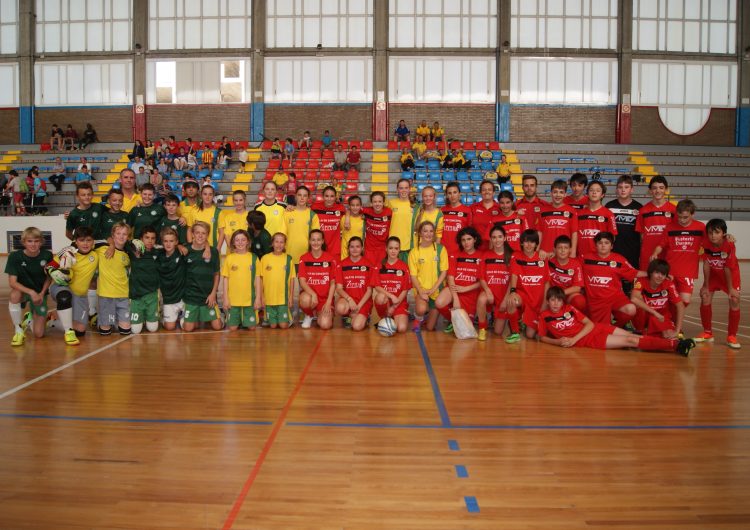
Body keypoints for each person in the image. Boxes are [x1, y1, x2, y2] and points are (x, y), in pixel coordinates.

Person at [538, 287, 695, 356]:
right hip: (590, 339)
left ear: (563, 301)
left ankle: (673, 344)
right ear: (548, 301)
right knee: (631, 340)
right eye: (552, 300)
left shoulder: (569, 308)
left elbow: (590, 324)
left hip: (596, 328)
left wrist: (573, 339)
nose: (555, 304)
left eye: (559, 300)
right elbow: (542, 337)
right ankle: (675, 346)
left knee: (635, 337)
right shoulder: (544, 316)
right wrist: (558, 342)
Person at [46, 226, 98, 344]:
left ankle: (52, 321)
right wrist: (55, 272)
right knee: (65, 296)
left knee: (80, 331)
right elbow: (48, 267)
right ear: (75, 241)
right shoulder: (68, 252)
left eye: (89, 240)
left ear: (93, 241)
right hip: (62, 287)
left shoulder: (95, 255)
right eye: (81, 240)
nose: (85, 244)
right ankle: (68, 332)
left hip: (80, 296)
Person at [650, 199, 705, 307]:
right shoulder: (670, 227)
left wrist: (726, 237)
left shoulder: (701, 227)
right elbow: (661, 245)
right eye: (679, 217)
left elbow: (712, 241)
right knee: (668, 299)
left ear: (692, 214)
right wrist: (655, 253)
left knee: (685, 301)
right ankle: (671, 322)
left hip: (688, 272)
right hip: (670, 270)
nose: (682, 220)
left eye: (685, 217)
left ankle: (673, 321)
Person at [582, 231, 644, 327]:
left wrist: (652, 273)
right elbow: (571, 265)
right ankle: (610, 327)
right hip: (596, 301)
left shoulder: (619, 259)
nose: (603, 245)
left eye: (606, 243)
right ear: (596, 245)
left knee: (631, 309)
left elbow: (635, 273)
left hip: (615, 297)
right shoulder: (585, 258)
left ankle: (617, 326)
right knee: (601, 331)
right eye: (600, 243)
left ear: (611, 246)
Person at [697, 218, 741, 348]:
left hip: (730, 276)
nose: (713, 236)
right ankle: (707, 333)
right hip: (714, 275)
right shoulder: (705, 243)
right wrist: (705, 285)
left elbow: (727, 268)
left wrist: (731, 288)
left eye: (716, 232)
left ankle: (732, 336)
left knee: (734, 300)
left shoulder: (729, 244)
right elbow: (706, 264)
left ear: (723, 233)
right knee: (705, 296)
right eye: (710, 233)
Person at [5, 227, 52, 346]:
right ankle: (18, 330)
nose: (33, 244)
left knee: (39, 334)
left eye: (36, 241)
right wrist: (31, 292)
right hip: (23, 291)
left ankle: (30, 318)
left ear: (41, 242)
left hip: (40, 293)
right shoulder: (15, 257)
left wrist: (41, 293)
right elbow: (12, 282)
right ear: (23, 242)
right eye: (30, 241)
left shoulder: (47, 255)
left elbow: (49, 277)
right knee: (14, 294)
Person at [435, 226, 482, 334]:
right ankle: (453, 320)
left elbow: (482, 282)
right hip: (454, 289)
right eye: (463, 240)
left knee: (465, 327)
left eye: (469, 239)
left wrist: (466, 288)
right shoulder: (455, 254)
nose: (466, 243)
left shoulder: (481, 256)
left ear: (475, 239)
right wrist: (455, 298)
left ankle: (462, 318)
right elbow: (450, 277)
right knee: (439, 302)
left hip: (470, 292)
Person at [477, 224, 519, 342]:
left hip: (503, 294)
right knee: (481, 299)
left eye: (500, 237)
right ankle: (482, 329)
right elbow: (481, 277)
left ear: (505, 238)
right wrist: (488, 291)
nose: (497, 240)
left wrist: (506, 299)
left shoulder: (512, 255)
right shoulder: (485, 254)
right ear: (490, 239)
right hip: (490, 292)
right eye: (494, 237)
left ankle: (507, 320)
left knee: (498, 332)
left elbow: (513, 279)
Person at [507, 229, 549, 339]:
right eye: (526, 241)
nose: (529, 245)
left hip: (537, 302)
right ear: (521, 243)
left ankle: (523, 320)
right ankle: (515, 332)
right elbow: (514, 275)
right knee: (511, 301)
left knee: (530, 335)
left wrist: (544, 303)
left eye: (532, 242)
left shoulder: (542, 258)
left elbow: (546, 283)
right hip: (523, 296)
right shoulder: (516, 255)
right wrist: (512, 292)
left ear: (536, 244)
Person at [409, 220, 449, 332]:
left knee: (430, 328)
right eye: (425, 231)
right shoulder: (414, 252)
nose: (428, 234)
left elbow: (444, 272)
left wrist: (433, 289)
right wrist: (421, 291)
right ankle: (419, 317)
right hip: (421, 289)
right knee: (421, 309)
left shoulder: (441, 249)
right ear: (420, 233)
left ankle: (428, 316)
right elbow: (413, 276)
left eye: (431, 231)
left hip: (436, 290)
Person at [182, 222, 222, 332]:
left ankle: (218, 315)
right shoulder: (185, 250)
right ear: (193, 234)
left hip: (208, 296)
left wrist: (213, 293)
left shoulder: (213, 251)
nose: (200, 236)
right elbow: (172, 245)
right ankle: (187, 317)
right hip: (191, 296)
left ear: (207, 235)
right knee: (188, 329)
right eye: (197, 233)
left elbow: (217, 274)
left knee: (217, 327)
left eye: (203, 233)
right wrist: (178, 245)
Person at [631, 259, 685, 339]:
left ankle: (652, 333)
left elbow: (681, 306)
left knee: (668, 335)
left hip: (661, 317)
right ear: (650, 272)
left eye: (663, 274)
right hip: (645, 316)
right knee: (638, 299)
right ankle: (640, 329)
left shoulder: (668, 284)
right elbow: (633, 299)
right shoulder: (641, 281)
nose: (660, 276)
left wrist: (677, 330)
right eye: (657, 273)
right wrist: (654, 312)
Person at [95, 221, 131, 336]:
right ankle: (101, 319)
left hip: (123, 295)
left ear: (128, 237)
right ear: (113, 235)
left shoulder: (128, 254)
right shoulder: (101, 248)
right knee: (106, 332)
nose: (121, 236)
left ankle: (115, 319)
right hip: (106, 295)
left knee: (126, 331)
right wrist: (111, 245)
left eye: (124, 234)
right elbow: (82, 243)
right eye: (118, 233)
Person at [221, 230, 262, 332]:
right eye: (237, 240)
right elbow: (225, 279)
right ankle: (233, 318)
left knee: (252, 328)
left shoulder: (254, 258)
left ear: (248, 241)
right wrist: (225, 298)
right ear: (233, 242)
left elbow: (258, 279)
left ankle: (245, 320)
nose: (240, 243)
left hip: (249, 299)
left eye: (243, 240)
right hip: (233, 300)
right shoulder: (229, 258)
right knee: (232, 328)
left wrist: (258, 298)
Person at [298, 229, 336, 330]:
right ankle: (309, 315)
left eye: (318, 240)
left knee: (325, 325)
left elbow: (333, 283)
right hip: (310, 297)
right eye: (313, 240)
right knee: (305, 299)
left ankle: (319, 314)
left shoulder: (330, 258)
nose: (316, 243)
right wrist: (313, 294)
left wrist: (328, 302)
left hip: (325, 299)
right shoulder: (304, 258)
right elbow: (302, 281)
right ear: (309, 241)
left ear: (323, 241)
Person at [334, 237, 375, 331]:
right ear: (348, 249)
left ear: (362, 248)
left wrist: (359, 306)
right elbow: (339, 288)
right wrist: (349, 299)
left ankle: (361, 316)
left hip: (363, 302)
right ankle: (348, 315)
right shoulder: (342, 264)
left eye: (358, 246)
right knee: (340, 307)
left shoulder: (368, 265)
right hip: (348, 300)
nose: (355, 249)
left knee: (356, 327)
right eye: (352, 247)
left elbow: (369, 291)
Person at [635, 175, 675, 270]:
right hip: (648, 256)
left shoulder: (674, 210)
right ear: (650, 191)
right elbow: (642, 236)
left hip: (668, 255)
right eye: (654, 188)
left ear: (666, 190)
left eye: (661, 188)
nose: (658, 191)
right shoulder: (643, 211)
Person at [373, 237, 412, 334]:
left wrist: (394, 307)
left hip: (399, 303)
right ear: (386, 249)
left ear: (399, 249)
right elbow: (377, 286)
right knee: (381, 297)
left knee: (401, 329)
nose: (393, 251)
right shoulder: (379, 265)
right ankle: (384, 318)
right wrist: (391, 296)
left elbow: (405, 289)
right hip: (385, 301)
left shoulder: (404, 267)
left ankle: (396, 317)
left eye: (396, 248)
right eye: (390, 248)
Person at [127, 226, 160, 334]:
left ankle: (149, 317)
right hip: (137, 295)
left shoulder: (158, 252)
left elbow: (172, 246)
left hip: (152, 295)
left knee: (153, 329)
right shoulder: (134, 251)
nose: (150, 241)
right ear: (141, 238)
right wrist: (133, 242)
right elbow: (121, 241)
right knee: (135, 331)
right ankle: (141, 317)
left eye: (153, 238)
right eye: (147, 237)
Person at [259, 233, 296, 329]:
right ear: (272, 243)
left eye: (281, 242)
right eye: (276, 242)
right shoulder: (265, 258)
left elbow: (292, 279)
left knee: (283, 326)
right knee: (273, 326)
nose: (279, 245)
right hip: (269, 299)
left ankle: (288, 318)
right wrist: (262, 297)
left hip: (283, 298)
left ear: (285, 244)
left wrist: (291, 297)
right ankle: (269, 318)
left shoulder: (288, 259)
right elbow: (260, 279)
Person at [606, 174, 642, 272]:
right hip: (613, 251)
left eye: (626, 187)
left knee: (631, 280)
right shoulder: (609, 206)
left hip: (633, 251)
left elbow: (641, 234)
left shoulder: (639, 208)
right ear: (616, 189)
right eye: (620, 187)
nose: (623, 190)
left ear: (632, 189)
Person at [538, 179, 578, 259]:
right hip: (545, 253)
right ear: (551, 193)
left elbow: (574, 233)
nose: (558, 195)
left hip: (564, 253)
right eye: (555, 192)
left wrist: (573, 251)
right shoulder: (542, 210)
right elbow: (539, 232)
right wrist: (538, 249)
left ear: (565, 194)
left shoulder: (571, 211)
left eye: (561, 192)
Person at [576, 180, 617, 256]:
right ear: (587, 194)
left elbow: (612, 237)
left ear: (602, 195)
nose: (594, 192)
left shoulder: (609, 214)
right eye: (591, 190)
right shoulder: (578, 214)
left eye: (598, 191)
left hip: (600, 257)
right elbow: (574, 236)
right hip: (581, 257)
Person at [547, 235, 586, 314]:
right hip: (552, 294)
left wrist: (560, 293)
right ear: (554, 249)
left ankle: (573, 321)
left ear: (570, 250)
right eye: (560, 248)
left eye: (566, 248)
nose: (563, 250)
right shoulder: (549, 262)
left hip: (567, 294)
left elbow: (578, 287)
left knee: (579, 301)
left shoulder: (576, 264)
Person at [157, 227, 186, 331]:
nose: (168, 244)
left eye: (171, 241)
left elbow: (198, 244)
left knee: (187, 327)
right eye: (165, 241)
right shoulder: (158, 255)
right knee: (170, 327)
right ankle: (162, 315)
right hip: (168, 298)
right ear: (162, 242)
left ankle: (183, 316)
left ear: (176, 242)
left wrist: (180, 246)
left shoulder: (182, 252)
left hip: (184, 297)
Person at [284, 186, 320, 265]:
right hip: (289, 256)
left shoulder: (313, 215)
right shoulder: (287, 213)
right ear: (295, 197)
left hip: (306, 257)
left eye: (305, 196)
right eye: (299, 195)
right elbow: (282, 234)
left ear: (308, 198)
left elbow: (316, 238)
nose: (302, 198)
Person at [312, 185, 346, 258]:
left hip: (335, 249)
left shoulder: (340, 208)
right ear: (323, 196)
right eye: (327, 196)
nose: (329, 199)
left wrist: (348, 217)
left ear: (335, 197)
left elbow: (351, 212)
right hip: (318, 248)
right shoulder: (315, 207)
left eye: (332, 196)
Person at [441, 182, 472, 258]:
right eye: (449, 193)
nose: (452, 196)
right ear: (447, 195)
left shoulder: (467, 211)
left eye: (455, 192)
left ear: (459, 194)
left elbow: (470, 233)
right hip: (443, 252)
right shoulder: (442, 211)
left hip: (460, 251)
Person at [387, 179, 416, 262]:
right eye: (401, 188)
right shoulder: (390, 203)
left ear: (409, 189)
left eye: (406, 188)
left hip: (409, 245)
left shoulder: (414, 206)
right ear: (397, 190)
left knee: (407, 272)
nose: (404, 190)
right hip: (393, 245)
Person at [363, 191, 392, 265]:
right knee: (370, 272)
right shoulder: (367, 211)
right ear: (371, 203)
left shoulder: (389, 212)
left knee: (381, 271)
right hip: (369, 249)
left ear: (383, 202)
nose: (377, 204)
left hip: (383, 248)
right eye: (375, 201)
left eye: (380, 201)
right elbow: (353, 208)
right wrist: (347, 216)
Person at [470, 180, 501, 244]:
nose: (487, 192)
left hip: (495, 247)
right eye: (484, 190)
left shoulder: (500, 208)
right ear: (480, 192)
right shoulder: (473, 208)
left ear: (494, 192)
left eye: (489, 189)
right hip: (477, 247)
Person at [340, 195, 365, 260]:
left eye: (357, 205)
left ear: (361, 206)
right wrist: (347, 216)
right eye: (352, 205)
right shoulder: (344, 219)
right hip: (345, 253)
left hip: (359, 253)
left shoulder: (364, 219)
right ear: (349, 206)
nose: (355, 207)